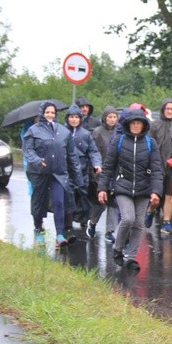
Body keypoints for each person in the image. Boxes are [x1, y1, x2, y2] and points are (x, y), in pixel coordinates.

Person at [97, 109, 163, 271]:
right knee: (128, 218)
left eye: (138, 123)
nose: (135, 126)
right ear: (127, 124)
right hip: (122, 186)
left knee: (139, 223)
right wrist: (102, 188)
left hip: (143, 189)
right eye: (133, 123)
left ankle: (131, 257)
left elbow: (156, 170)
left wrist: (156, 191)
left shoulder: (150, 143)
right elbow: (108, 167)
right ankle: (118, 248)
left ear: (143, 125)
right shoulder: (119, 141)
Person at [22, 101, 83, 247]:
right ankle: (38, 229)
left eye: (53, 113)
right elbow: (28, 150)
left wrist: (77, 176)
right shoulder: (33, 130)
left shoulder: (63, 131)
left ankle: (60, 235)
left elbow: (72, 155)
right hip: (39, 173)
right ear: (42, 113)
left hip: (58, 173)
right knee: (39, 202)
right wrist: (37, 160)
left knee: (59, 201)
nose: (50, 115)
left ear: (56, 115)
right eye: (47, 112)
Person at [65, 104, 102, 236]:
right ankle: (67, 227)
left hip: (82, 171)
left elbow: (93, 151)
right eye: (71, 117)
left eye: (76, 117)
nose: (74, 120)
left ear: (80, 119)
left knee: (83, 197)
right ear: (67, 118)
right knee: (68, 199)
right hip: (66, 172)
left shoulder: (85, 134)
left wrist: (96, 164)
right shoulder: (62, 132)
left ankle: (83, 224)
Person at [148, 98, 172, 234]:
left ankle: (166, 222)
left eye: (171, 109)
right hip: (157, 165)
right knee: (156, 196)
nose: (169, 111)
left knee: (169, 195)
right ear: (162, 110)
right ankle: (151, 211)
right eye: (167, 109)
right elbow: (149, 144)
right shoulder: (155, 125)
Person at [89, 106, 119, 241]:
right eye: (110, 117)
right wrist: (96, 169)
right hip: (101, 172)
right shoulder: (98, 133)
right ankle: (93, 222)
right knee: (101, 203)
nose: (112, 120)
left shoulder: (120, 133)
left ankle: (109, 231)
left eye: (114, 117)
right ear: (104, 118)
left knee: (113, 203)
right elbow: (94, 152)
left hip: (116, 172)